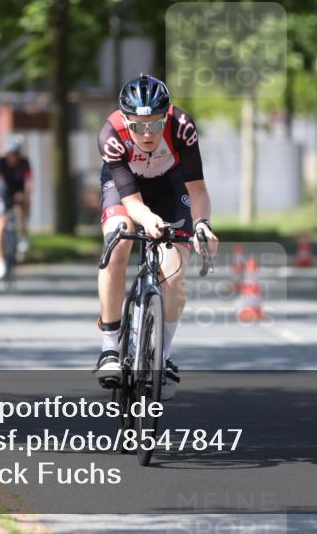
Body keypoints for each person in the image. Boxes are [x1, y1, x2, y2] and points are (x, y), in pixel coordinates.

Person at [94, 74, 218, 400]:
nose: (147, 134)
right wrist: (147, 219)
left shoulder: (182, 128)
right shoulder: (111, 135)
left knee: (175, 274)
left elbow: (198, 189)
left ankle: (160, 356)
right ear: (125, 120)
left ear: (167, 117)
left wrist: (203, 223)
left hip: (169, 186)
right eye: (138, 125)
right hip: (125, 191)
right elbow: (132, 201)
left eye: (155, 124)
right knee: (118, 243)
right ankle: (109, 346)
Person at [0, 135, 33, 280]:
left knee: (21, 210)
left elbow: (28, 183)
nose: (12, 157)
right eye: (10, 154)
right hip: (4, 192)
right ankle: (0, 258)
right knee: (0, 224)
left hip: (18, 191)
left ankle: (23, 235)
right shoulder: (0, 162)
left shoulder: (24, 163)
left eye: (15, 154)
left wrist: (26, 197)